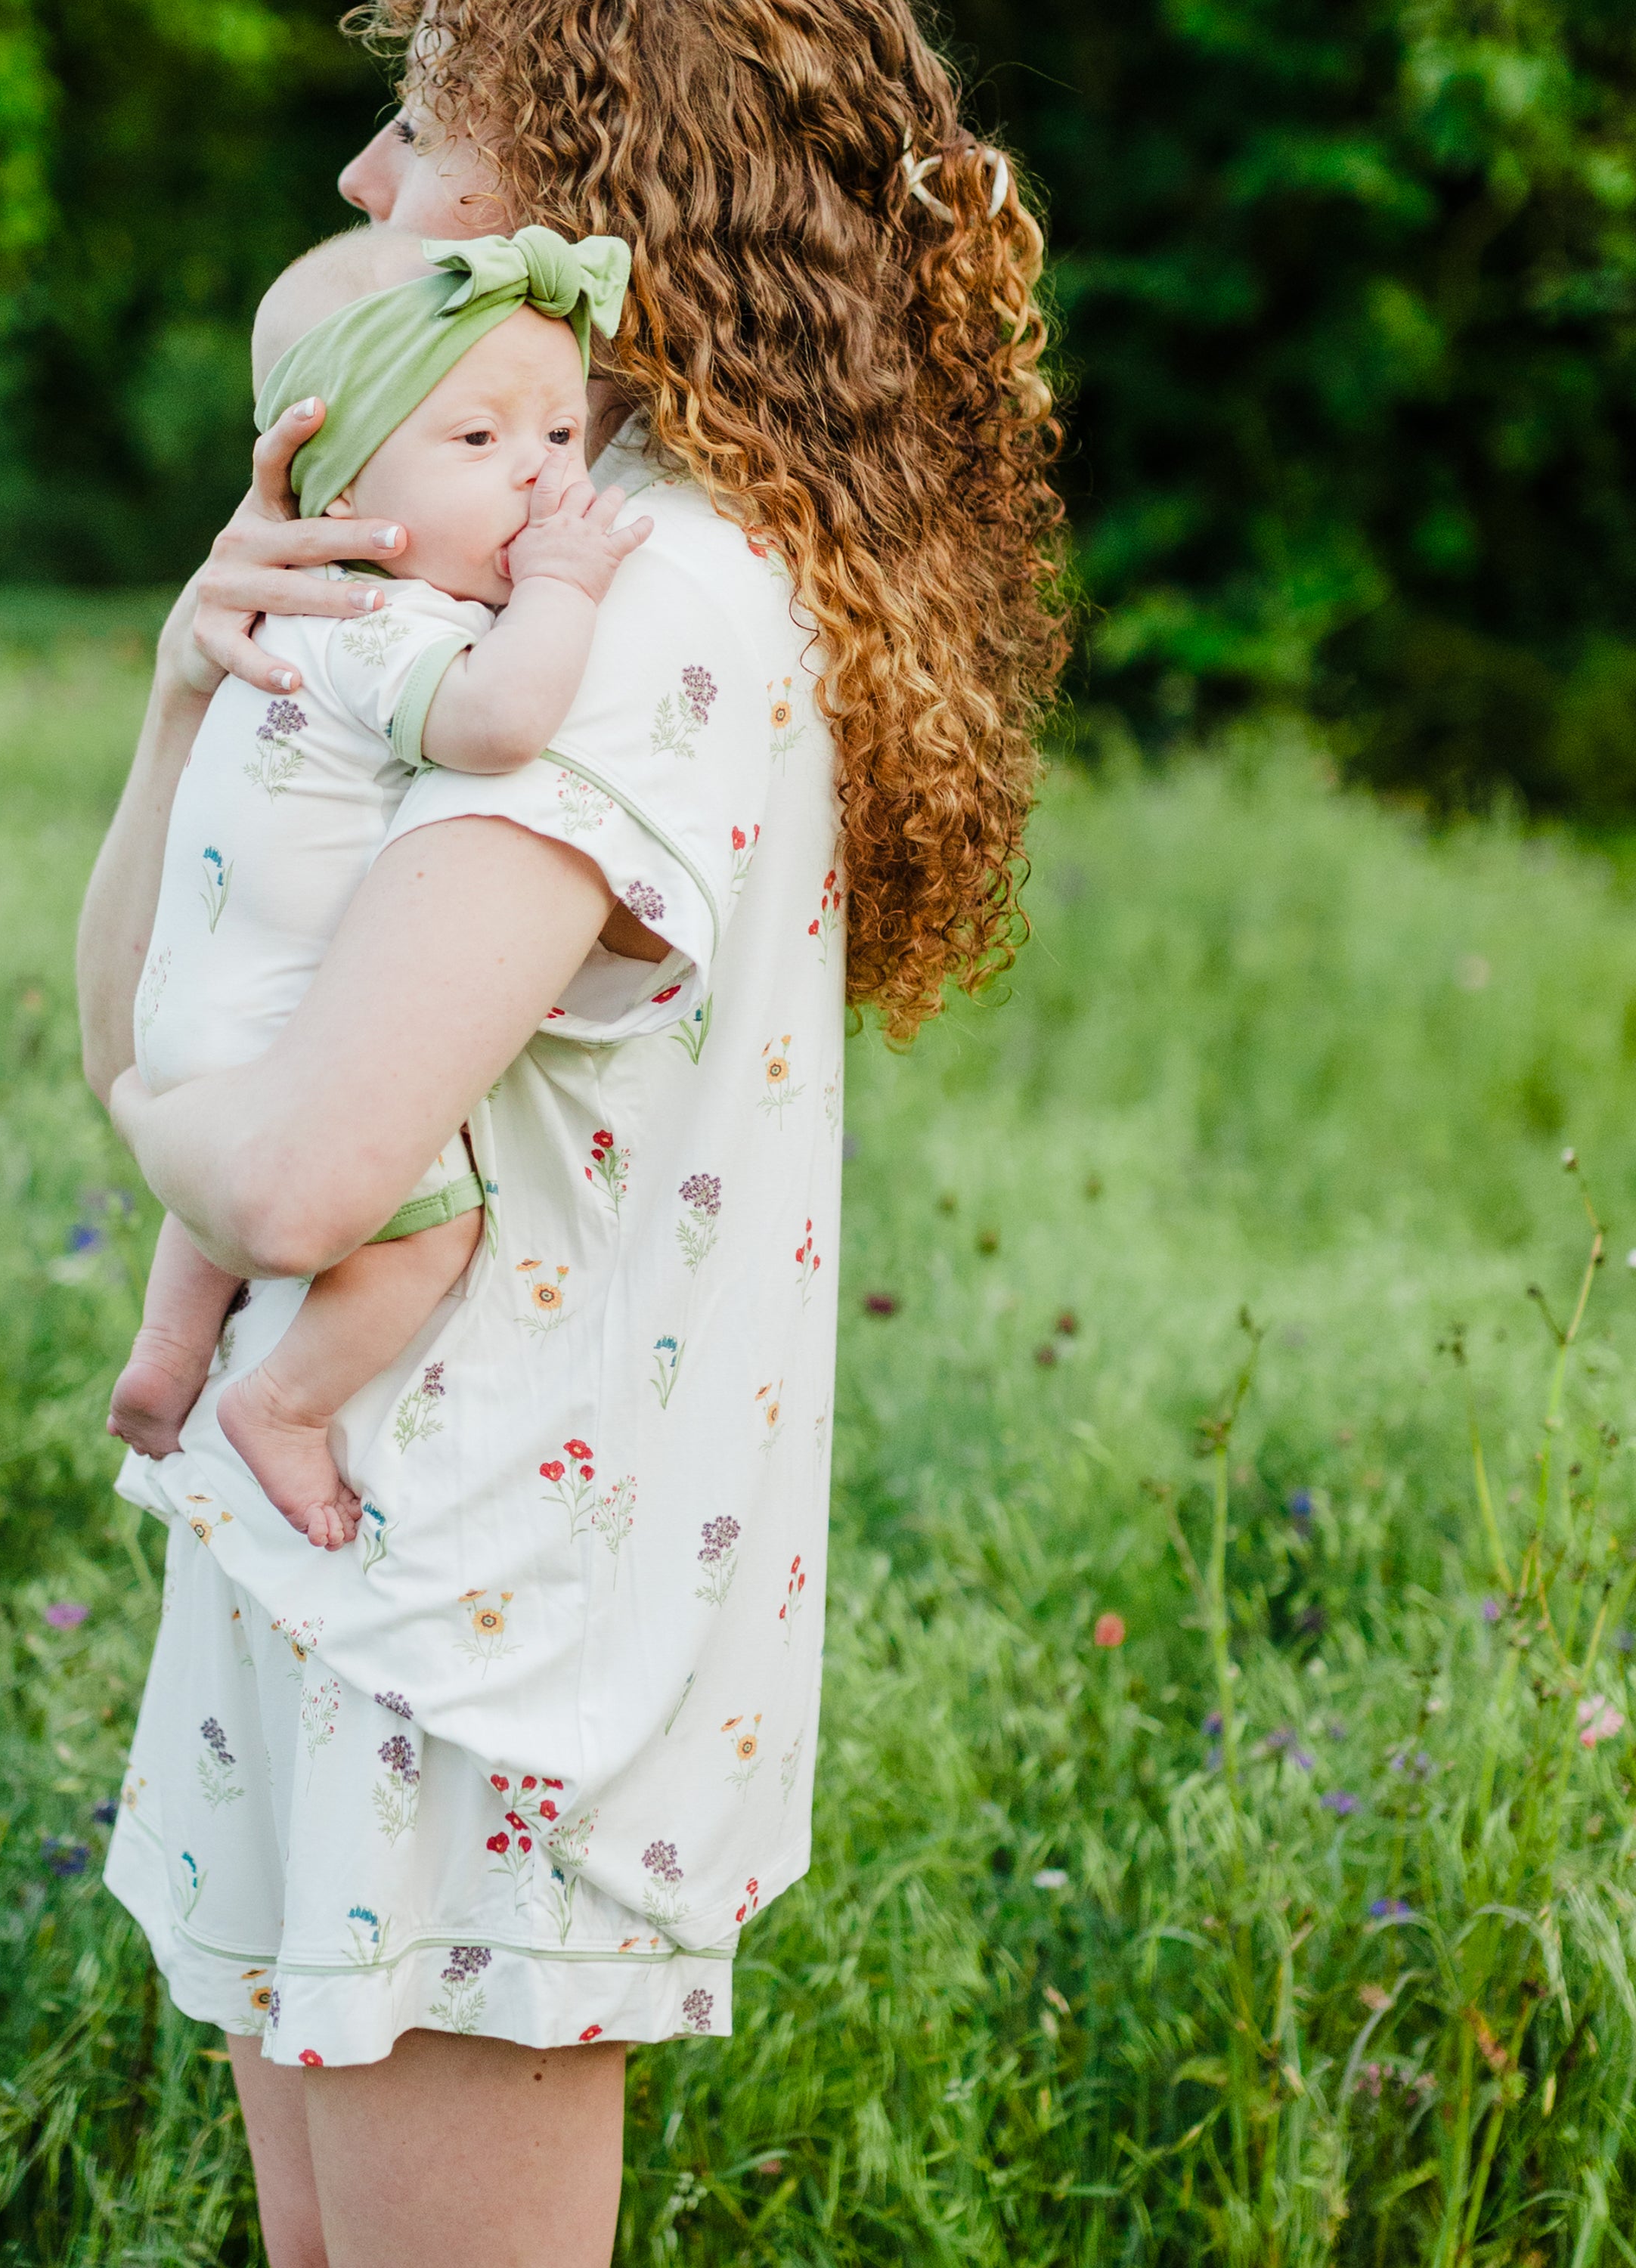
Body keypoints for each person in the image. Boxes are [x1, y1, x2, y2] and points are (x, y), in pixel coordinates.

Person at [75, 5, 1065, 2260]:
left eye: (420, 129)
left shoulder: (643, 605)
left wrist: (166, 1126)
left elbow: (294, 1169)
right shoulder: (481, 584)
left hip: (483, 1634)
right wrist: (184, 693)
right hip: (339, 1560)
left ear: (582, 221)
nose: (358, 182)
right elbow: (155, 1027)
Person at [108, 222, 652, 1551]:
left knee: (216, 1171)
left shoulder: (288, 613)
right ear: (345, 493)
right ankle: (284, 1407)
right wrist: (566, 590)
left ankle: (170, 1353)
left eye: (561, 437)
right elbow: (499, 722)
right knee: (425, 1238)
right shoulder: (381, 627)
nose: (535, 472)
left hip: (201, 1012)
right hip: (279, 1030)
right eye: (478, 443)